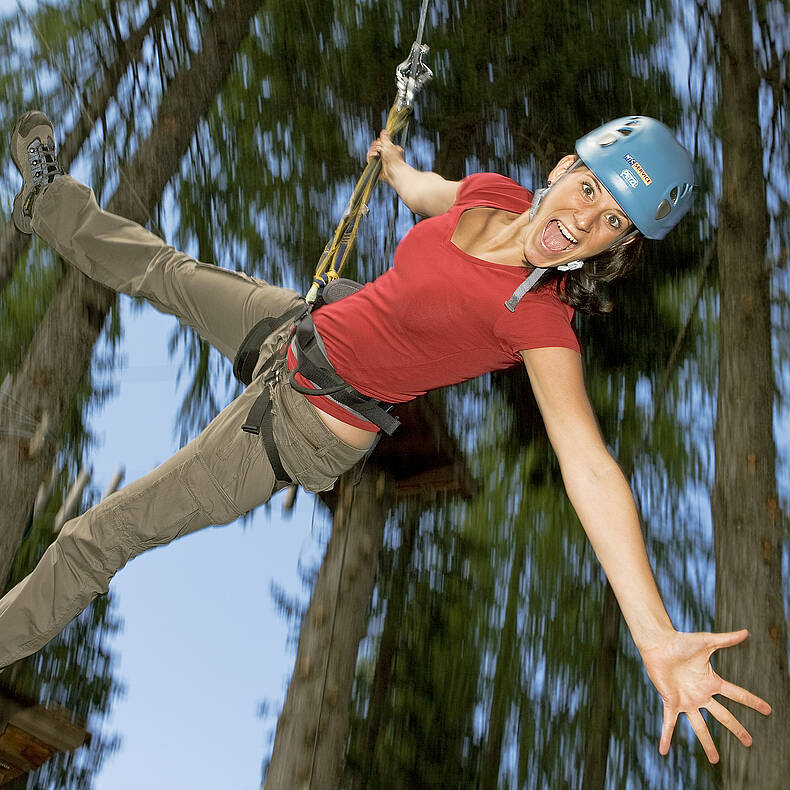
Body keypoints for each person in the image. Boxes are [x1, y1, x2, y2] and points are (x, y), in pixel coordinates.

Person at [2, 111, 771, 762]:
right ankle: (46, 201)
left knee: (100, 534)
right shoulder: (495, 194)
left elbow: (589, 466)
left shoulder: (539, 320)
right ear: (566, 166)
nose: (587, 221)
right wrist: (395, 161)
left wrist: (655, 633)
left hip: (301, 423)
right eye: (592, 189)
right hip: (300, 328)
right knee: (162, 268)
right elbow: (431, 194)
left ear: (612, 249)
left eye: (612, 225)